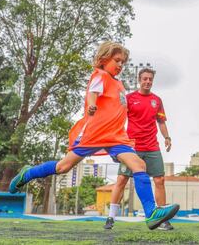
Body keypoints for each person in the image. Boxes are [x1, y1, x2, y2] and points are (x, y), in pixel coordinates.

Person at [9, 41, 179, 230]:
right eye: (117, 60)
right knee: (63, 166)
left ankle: (151, 214)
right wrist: (91, 105)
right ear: (104, 59)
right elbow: (93, 92)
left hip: (116, 137)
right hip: (96, 133)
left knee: (139, 165)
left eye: (123, 61)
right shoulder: (100, 75)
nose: (121, 65)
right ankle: (28, 173)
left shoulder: (119, 84)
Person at [104, 68, 174, 231]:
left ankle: (162, 219)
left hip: (152, 147)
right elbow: (117, 118)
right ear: (139, 79)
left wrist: (167, 138)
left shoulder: (157, 100)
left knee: (159, 180)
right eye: (145, 79)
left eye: (150, 79)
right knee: (121, 180)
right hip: (131, 148)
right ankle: (110, 218)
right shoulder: (129, 99)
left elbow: (161, 122)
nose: (147, 81)